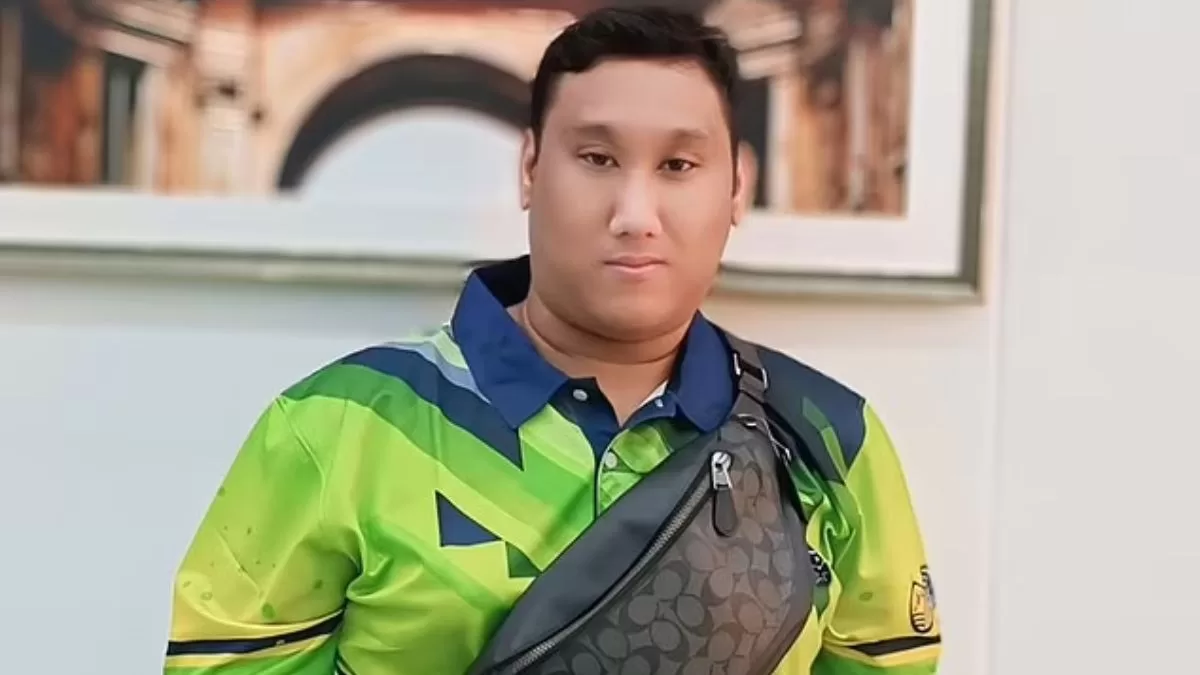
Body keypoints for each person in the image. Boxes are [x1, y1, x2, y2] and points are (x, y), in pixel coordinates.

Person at [163, 6, 941, 674]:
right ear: (531, 167)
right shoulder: (337, 426)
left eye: (678, 164)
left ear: (736, 186)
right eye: (597, 158)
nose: (635, 214)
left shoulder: (830, 442)